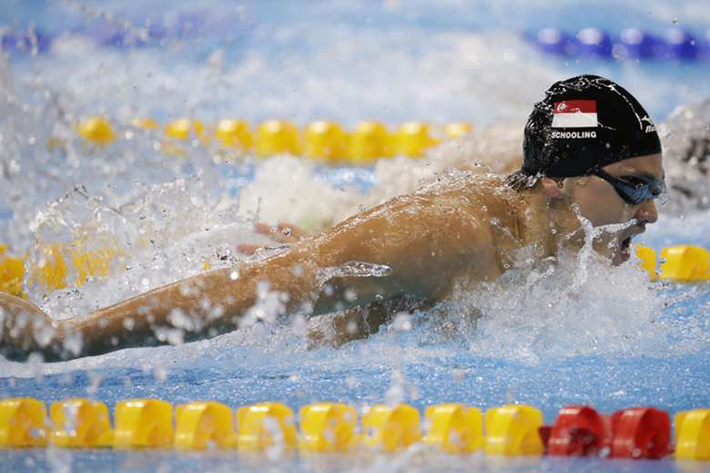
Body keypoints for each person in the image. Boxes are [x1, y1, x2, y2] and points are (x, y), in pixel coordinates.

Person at [0, 75, 665, 362]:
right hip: (249, 278)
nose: (654, 213)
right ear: (556, 180)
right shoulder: (450, 233)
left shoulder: (552, 250)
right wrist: (65, 336)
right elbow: (261, 288)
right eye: (636, 190)